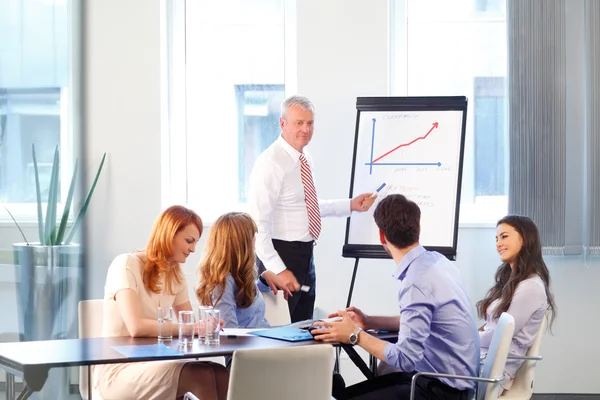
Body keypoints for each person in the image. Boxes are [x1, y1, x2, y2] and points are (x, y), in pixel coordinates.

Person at [313, 194, 479, 400]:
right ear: (418, 229)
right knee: (341, 392)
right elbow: (419, 324)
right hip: (444, 381)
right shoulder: (437, 262)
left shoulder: (416, 280)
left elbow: (406, 358)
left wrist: (354, 335)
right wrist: (369, 321)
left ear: (382, 236)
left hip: (442, 390)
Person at [248, 94, 376, 322]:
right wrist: (278, 269)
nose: (305, 129)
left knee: (304, 328)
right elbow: (259, 227)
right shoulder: (270, 163)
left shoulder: (304, 158)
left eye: (310, 123)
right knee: (280, 332)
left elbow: (307, 206)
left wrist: (350, 205)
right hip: (280, 254)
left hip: (305, 255)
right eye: (299, 123)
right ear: (282, 123)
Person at [96, 205, 229, 400]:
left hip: (154, 363)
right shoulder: (125, 265)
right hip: (119, 370)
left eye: (195, 243)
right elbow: (136, 327)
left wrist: (207, 326)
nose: (193, 249)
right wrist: (195, 327)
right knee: (200, 376)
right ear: (169, 235)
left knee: (219, 373)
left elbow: (188, 324)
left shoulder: (175, 275)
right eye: (189, 241)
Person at [477, 215, 556, 392]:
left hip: (492, 373)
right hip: (482, 361)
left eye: (504, 236)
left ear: (525, 239)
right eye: (496, 239)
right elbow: (491, 326)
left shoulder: (530, 287)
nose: (498, 243)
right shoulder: (513, 282)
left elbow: (501, 335)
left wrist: (464, 340)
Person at [195, 211, 289, 329]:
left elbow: (245, 300)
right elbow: (230, 332)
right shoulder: (222, 282)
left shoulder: (236, 275)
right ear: (242, 244)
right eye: (253, 236)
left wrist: (263, 280)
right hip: (253, 344)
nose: (255, 241)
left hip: (262, 340)